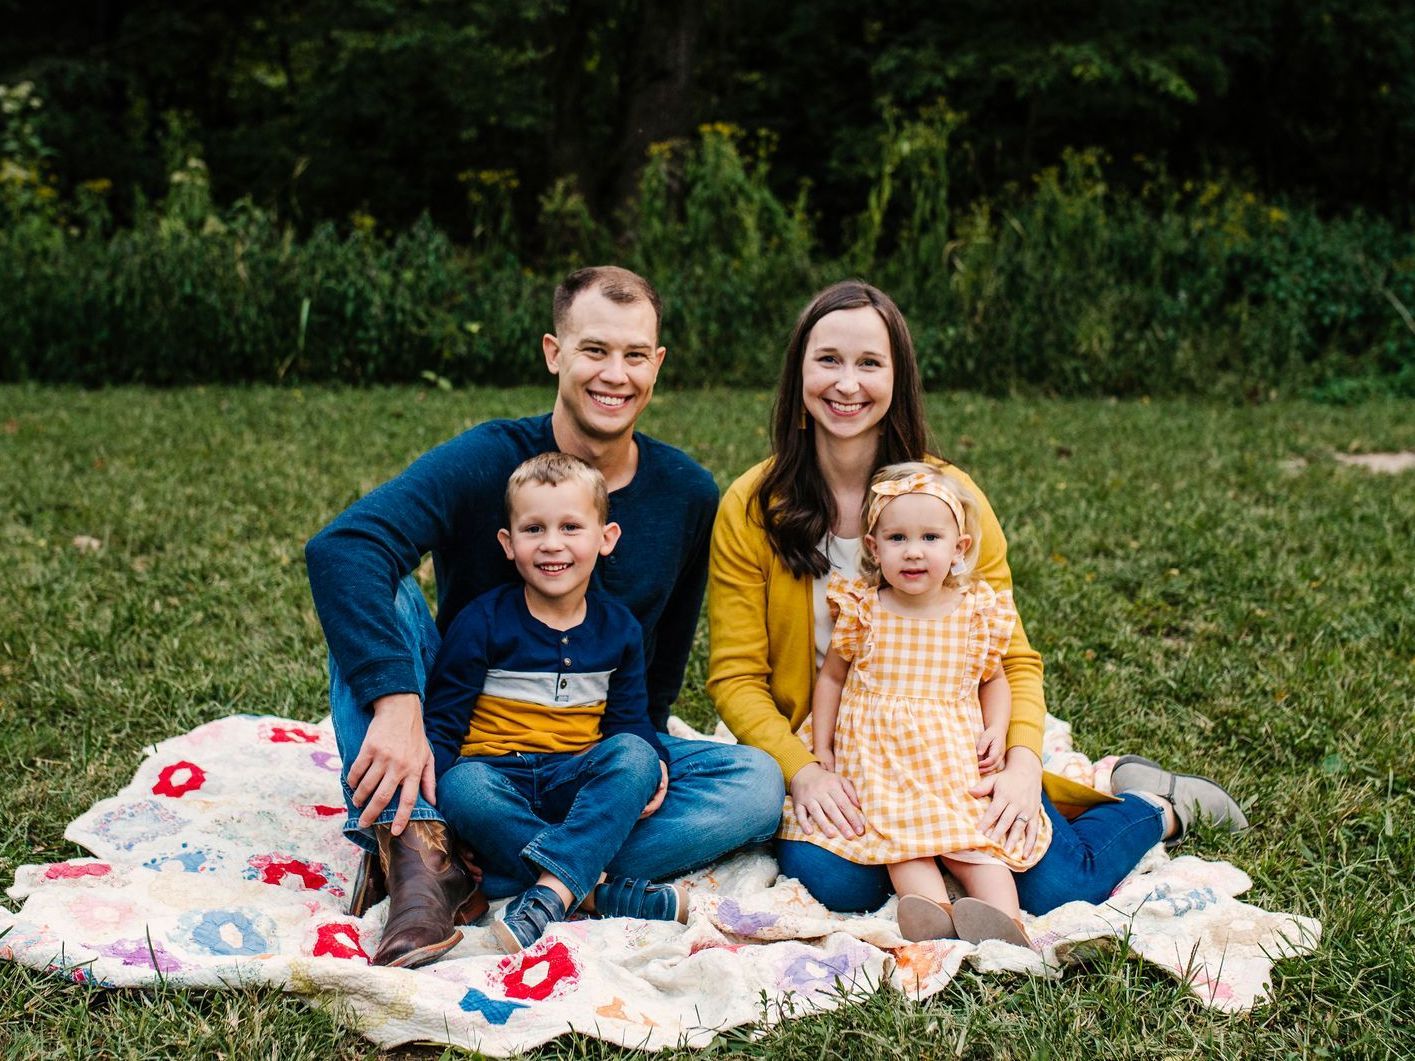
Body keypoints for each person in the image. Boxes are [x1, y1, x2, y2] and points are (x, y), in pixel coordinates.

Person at [707, 279, 1248, 919]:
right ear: (799, 372)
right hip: (844, 750)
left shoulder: (952, 499)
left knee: (1051, 890)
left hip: (948, 743)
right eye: (828, 360)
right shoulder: (752, 505)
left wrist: (1020, 765)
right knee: (840, 884)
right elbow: (736, 677)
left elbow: (1012, 658)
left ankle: (1154, 808)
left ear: (897, 378)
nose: (846, 383)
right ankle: (931, 872)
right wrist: (804, 770)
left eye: (869, 363)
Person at [306, 266, 783, 968]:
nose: (612, 374)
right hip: (472, 749)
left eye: (632, 355)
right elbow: (342, 547)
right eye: (593, 350)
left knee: (755, 785)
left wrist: (637, 756)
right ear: (554, 352)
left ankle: (499, 868)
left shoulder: (685, 492)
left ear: (656, 364)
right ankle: (429, 851)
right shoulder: (487, 459)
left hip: (589, 750)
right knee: (379, 600)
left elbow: (657, 668)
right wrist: (400, 702)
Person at [424, 452, 687, 954]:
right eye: (533, 529)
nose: (552, 544)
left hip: (576, 782)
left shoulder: (619, 629)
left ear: (605, 538)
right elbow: (443, 724)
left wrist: (654, 762)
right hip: (498, 777)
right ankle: (590, 891)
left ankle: (536, 885)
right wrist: (439, 825)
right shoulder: (483, 622)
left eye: (570, 527)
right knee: (462, 786)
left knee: (635, 755)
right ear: (508, 542)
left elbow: (629, 719)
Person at [803, 462, 1043, 947]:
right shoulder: (864, 609)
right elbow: (831, 678)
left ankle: (1003, 921)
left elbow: (994, 679)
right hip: (881, 762)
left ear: (960, 549)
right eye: (897, 539)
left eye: (931, 538)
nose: (913, 552)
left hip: (950, 755)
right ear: (874, 548)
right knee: (900, 841)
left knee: (977, 841)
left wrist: (998, 728)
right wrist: (822, 744)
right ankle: (932, 913)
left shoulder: (976, 611)